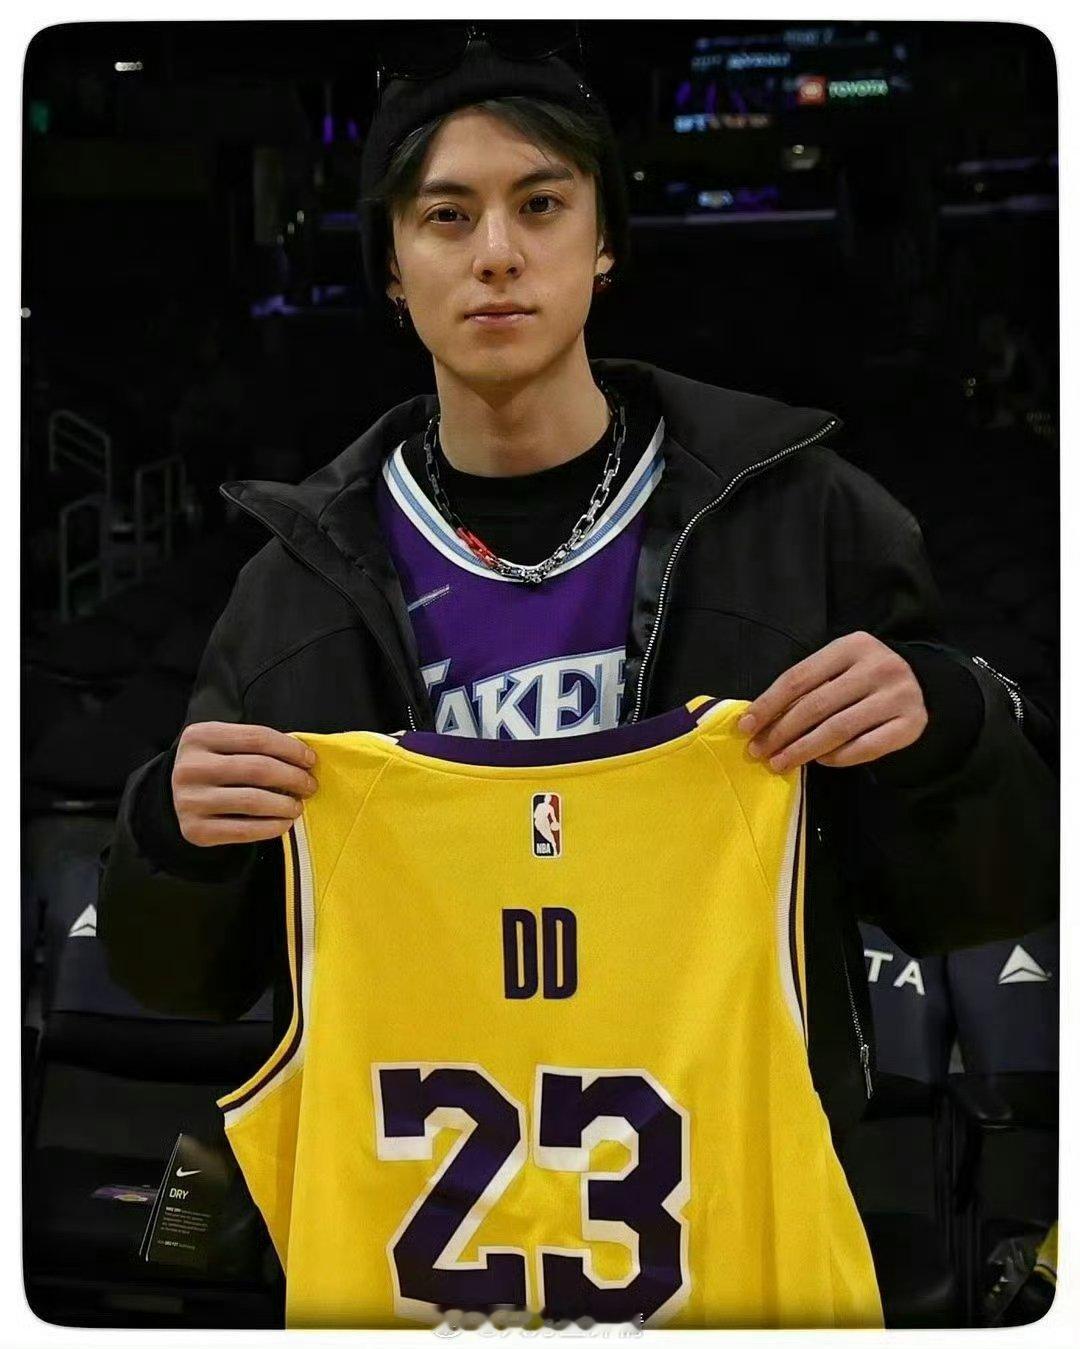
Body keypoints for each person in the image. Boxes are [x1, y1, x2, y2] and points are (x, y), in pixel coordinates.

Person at [98, 26, 1057, 1159]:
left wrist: (950, 721)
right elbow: (186, 981)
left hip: (731, 1191)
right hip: (414, 1202)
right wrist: (172, 837)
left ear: (604, 241)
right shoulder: (292, 586)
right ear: (393, 267)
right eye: (446, 215)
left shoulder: (804, 520)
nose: (497, 253)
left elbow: (985, 899)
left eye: (541, 205)